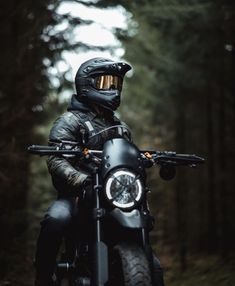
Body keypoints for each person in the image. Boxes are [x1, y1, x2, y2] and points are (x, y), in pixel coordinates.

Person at [34, 57, 164, 286]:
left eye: (116, 84)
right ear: (86, 85)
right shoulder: (69, 121)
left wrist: (145, 161)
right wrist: (80, 179)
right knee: (56, 219)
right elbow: (56, 159)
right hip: (77, 194)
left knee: (146, 235)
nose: (113, 89)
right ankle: (44, 277)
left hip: (112, 195)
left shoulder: (120, 126)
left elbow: (127, 158)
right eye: (106, 83)